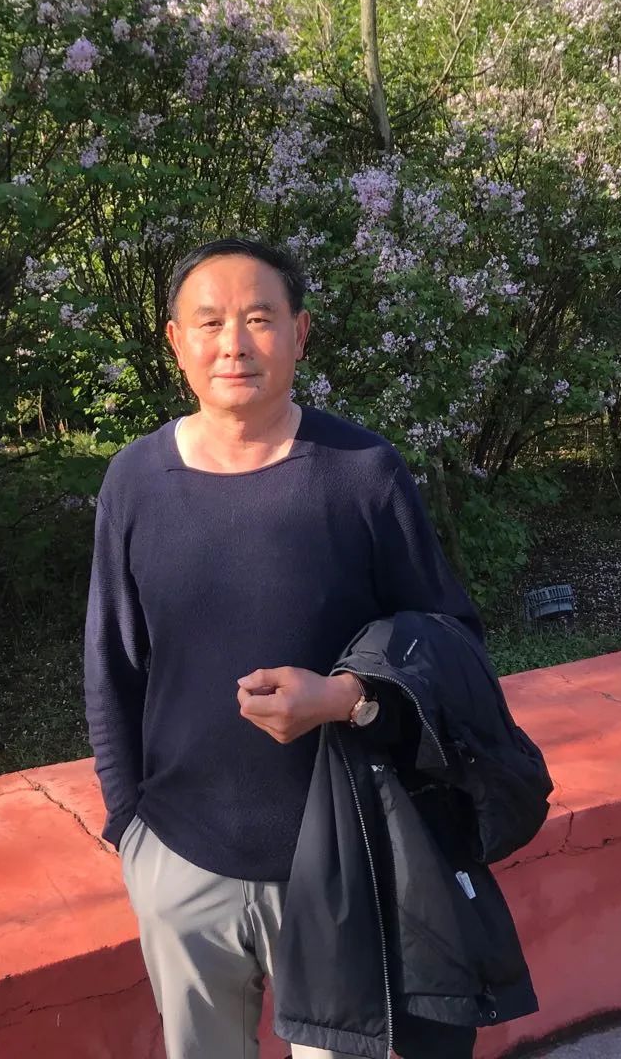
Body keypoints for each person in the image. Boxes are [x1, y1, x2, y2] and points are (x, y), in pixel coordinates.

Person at [84, 236, 485, 1059]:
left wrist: (346, 698)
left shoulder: (362, 473)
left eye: (260, 319)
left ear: (299, 333)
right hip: (181, 858)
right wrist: (130, 829)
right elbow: (111, 664)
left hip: (341, 860)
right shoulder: (134, 481)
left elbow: (452, 643)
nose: (234, 344)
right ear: (176, 343)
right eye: (210, 323)